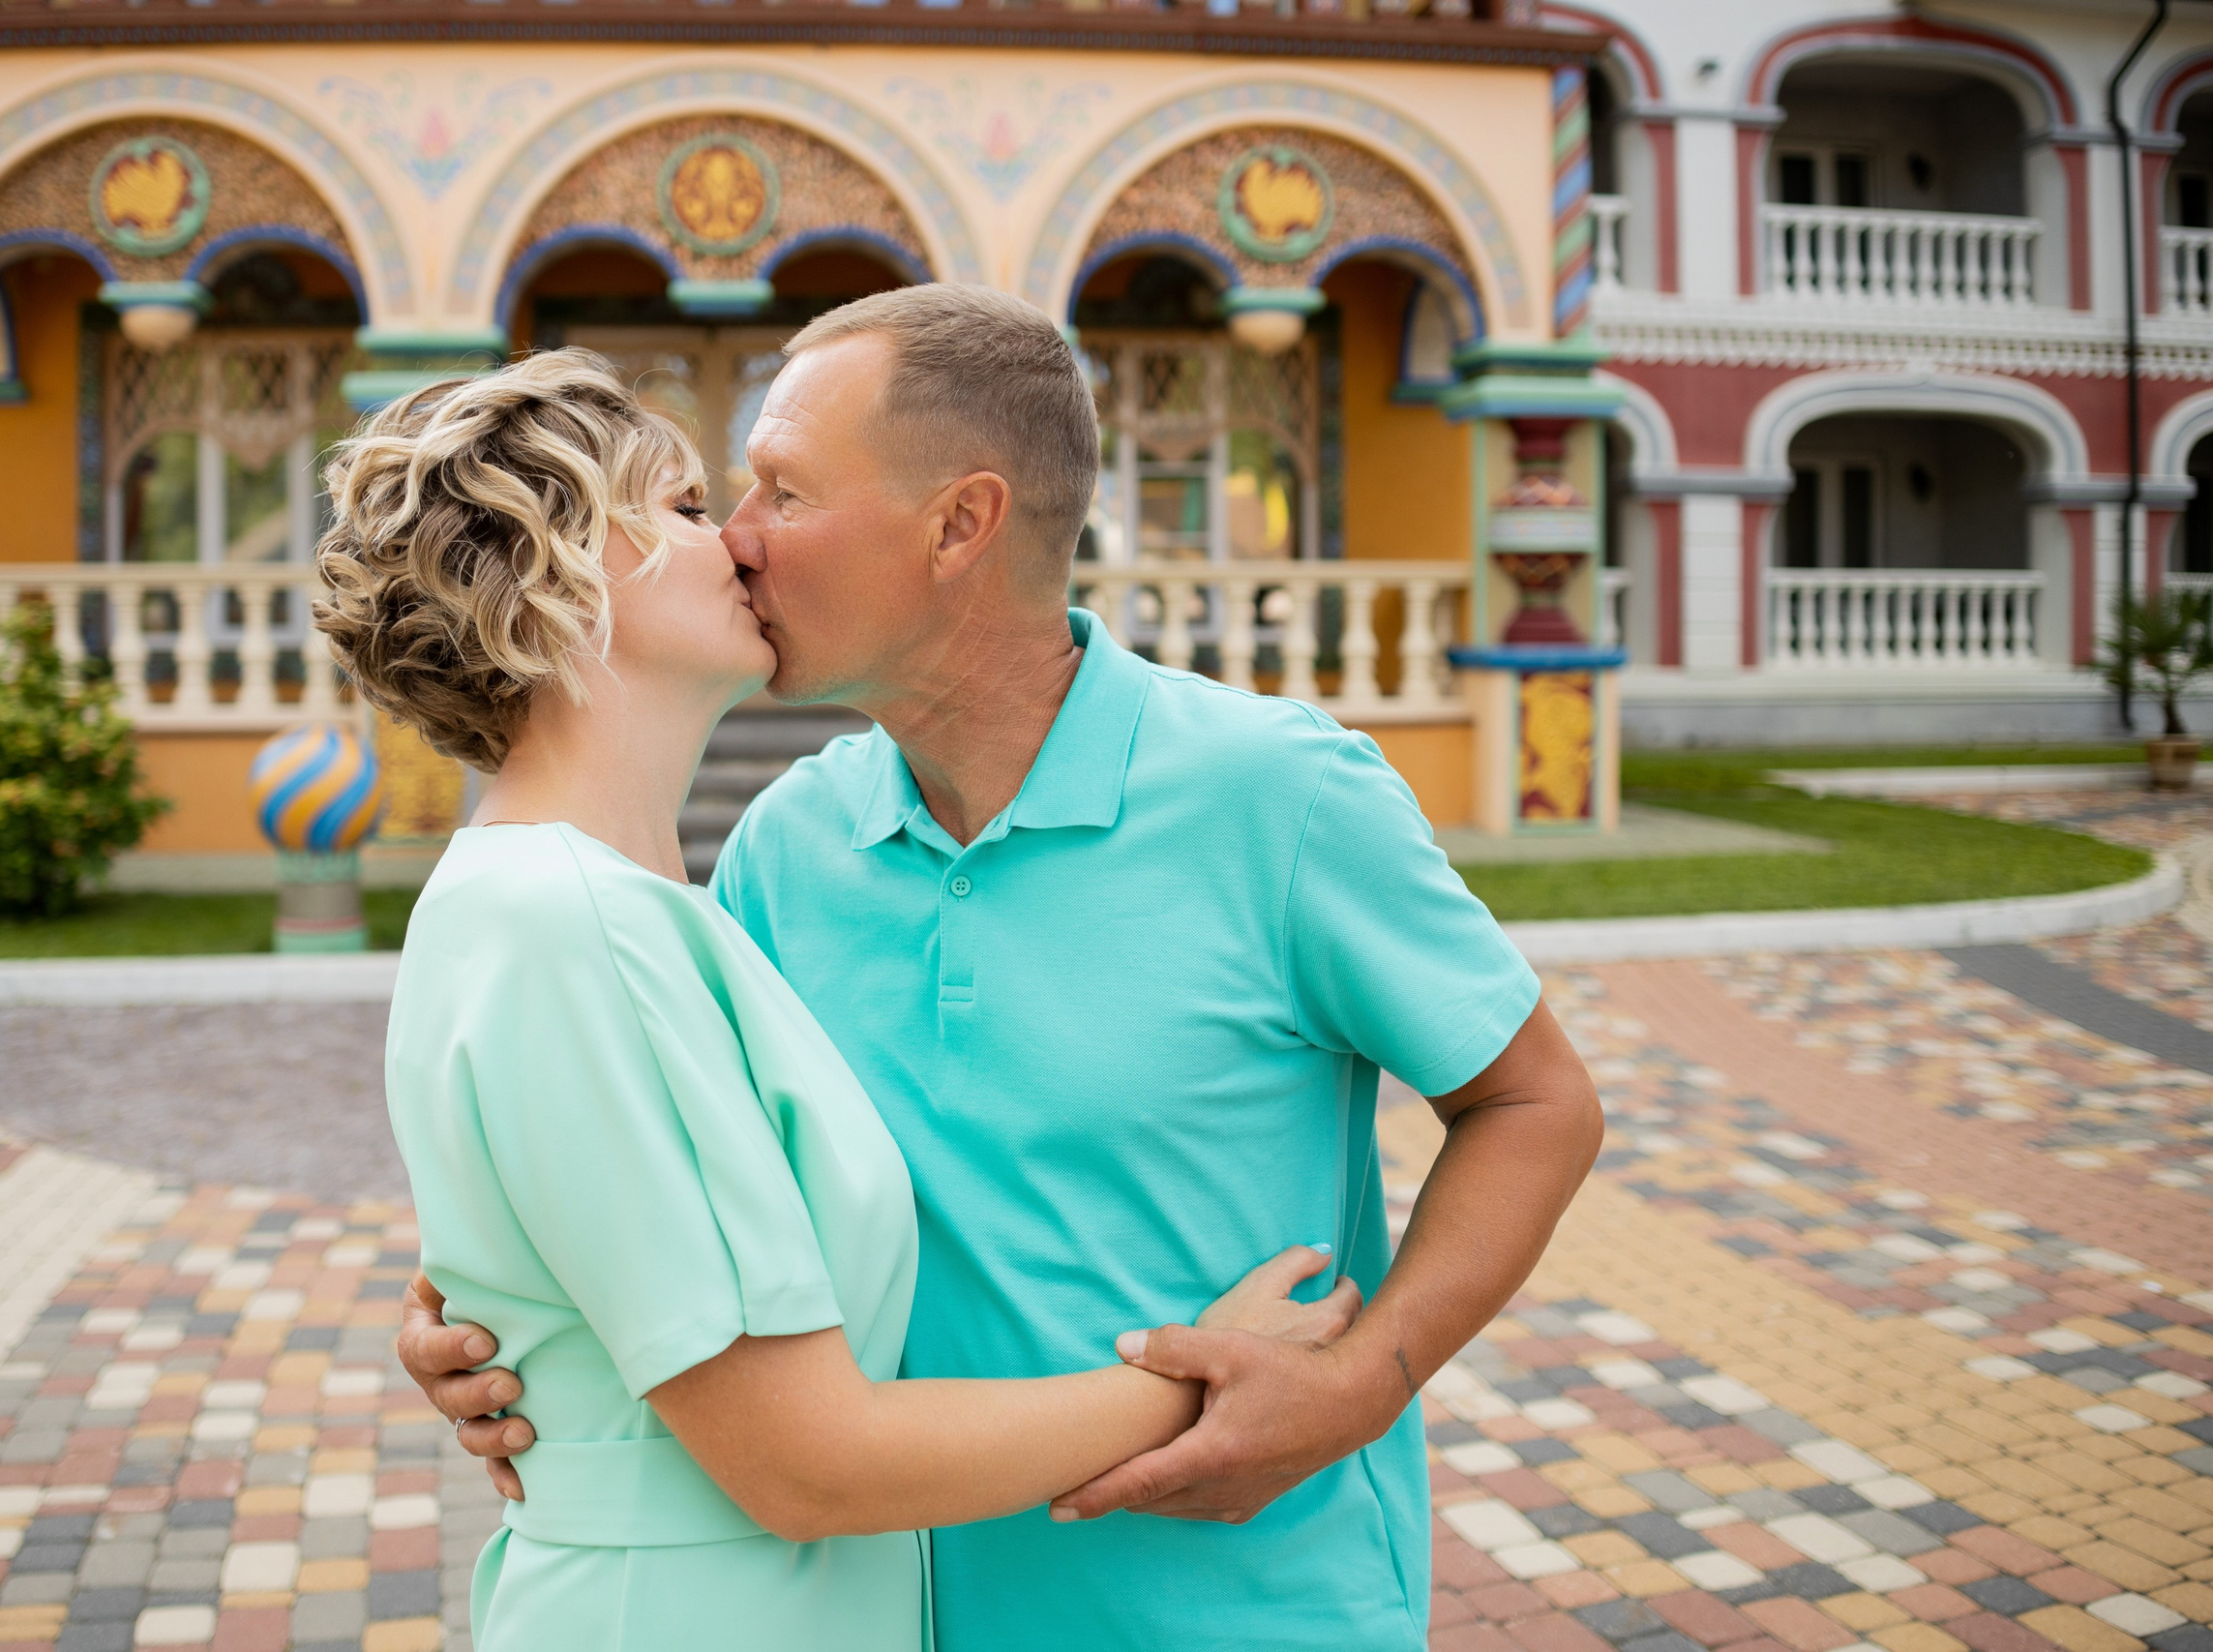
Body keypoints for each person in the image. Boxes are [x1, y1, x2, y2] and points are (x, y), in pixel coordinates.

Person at [398, 284, 1605, 1650]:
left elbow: (1539, 1104)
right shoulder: (788, 847)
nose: (737, 539)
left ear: (959, 524)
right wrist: (486, 1312)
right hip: (906, 1612)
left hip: (1252, 1605)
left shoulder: (1280, 795)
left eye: (782, 492)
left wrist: (1367, 1378)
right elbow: (659, 1163)